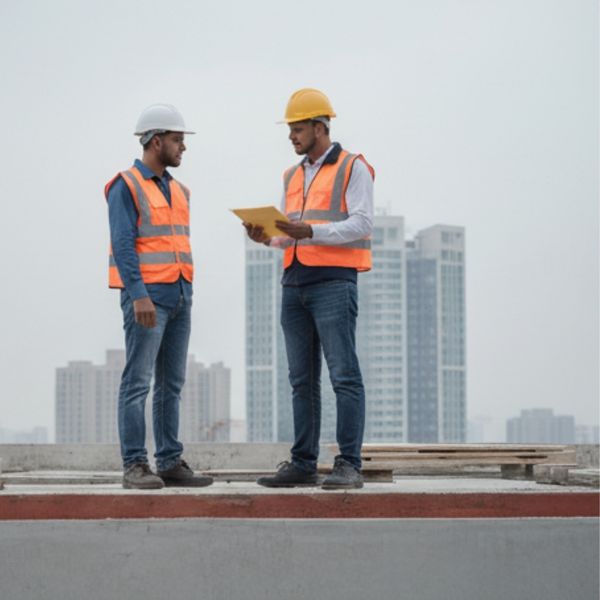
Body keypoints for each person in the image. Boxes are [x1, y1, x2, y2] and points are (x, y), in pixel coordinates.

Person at [245, 88, 374, 489]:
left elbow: (363, 223)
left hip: (334, 283)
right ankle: (303, 463)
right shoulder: (292, 175)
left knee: (344, 376)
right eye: (290, 130)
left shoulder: (354, 168)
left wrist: (311, 231)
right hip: (294, 283)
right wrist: (266, 238)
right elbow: (291, 235)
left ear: (320, 127)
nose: (291, 137)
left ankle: (349, 464)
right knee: (301, 380)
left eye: (297, 129)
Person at [105, 103, 213, 489]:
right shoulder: (126, 185)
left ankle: (168, 461)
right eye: (177, 139)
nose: (182, 147)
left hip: (181, 295)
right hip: (148, 298)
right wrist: (138, 295)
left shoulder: (179, 190)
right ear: (155, 141)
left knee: (172, 384)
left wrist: (185, 292)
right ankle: (135, 465)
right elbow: (123, 243)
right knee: (138, 381)